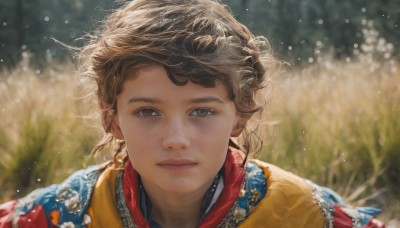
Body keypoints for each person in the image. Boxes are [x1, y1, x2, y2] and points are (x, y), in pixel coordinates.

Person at [0, 0, 385, 227]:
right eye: (148, 111)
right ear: (111, 117)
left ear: (240, 115)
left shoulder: (300, 213)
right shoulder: (69, 212)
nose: (176, 138)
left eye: (202, 110)